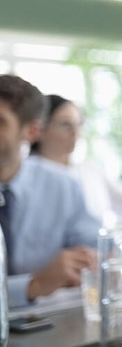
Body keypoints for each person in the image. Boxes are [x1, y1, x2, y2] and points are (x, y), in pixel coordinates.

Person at [0, 74, 101, 309]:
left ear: (32, 131)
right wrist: (32, 286)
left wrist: (86, 261)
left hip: (48, 324)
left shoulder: (62, 185)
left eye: (1, 122)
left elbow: (94, 249)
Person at [29, 94, 122, 228]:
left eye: (79, 124)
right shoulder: (24, 176)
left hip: (94, 248)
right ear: (40, 129)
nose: (76, 132)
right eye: (65, 125)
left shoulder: (90, 171)